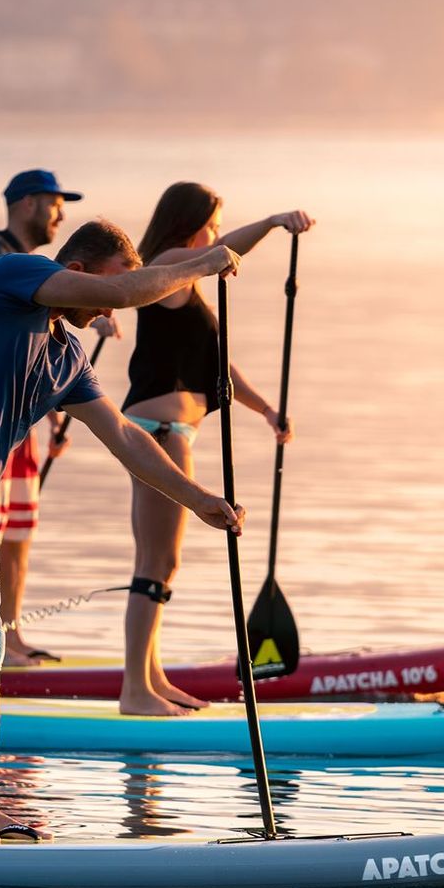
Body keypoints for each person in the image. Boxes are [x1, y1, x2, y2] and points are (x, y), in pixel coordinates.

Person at [0, 219, 244, 845]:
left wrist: (199, 497)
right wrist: (203, 263)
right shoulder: (12, 276)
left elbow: (127, 440)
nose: (107, 305)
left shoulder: (65, 356)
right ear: (83, 268)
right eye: (109, 285)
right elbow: (129, 294)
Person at [117, 182, 314, 717]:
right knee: (154, 561)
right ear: (189, 223)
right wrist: (273, 221)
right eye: (214, 223)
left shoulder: (187, 278)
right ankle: (134, 691)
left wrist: (267, 411)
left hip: (173, 431)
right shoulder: (168, 261)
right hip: (159, 431)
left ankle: (150, 678)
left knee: (166, 560)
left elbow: (217, 363)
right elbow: (216, 255)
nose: (219, 235)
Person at [0, 169, 118, 668]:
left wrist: (51, 412)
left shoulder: (42, 271)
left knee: (21, 531)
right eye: (53, 203)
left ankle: (13, 634)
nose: (61, 214)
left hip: (25, 417)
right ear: (26, 203)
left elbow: (39, 347)